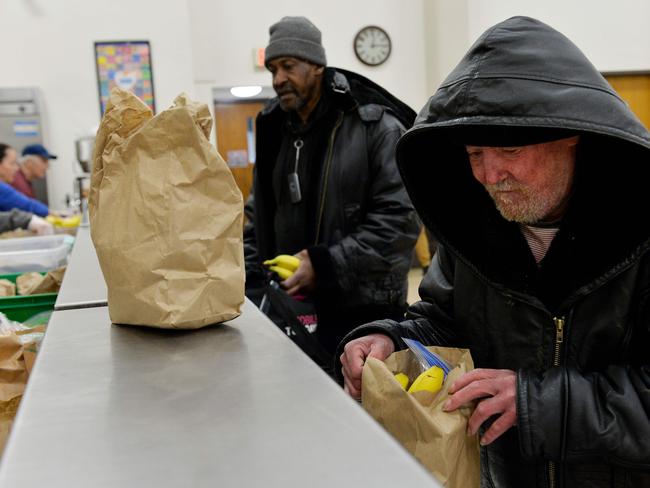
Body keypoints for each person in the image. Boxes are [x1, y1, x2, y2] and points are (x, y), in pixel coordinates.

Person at [338, 16, 650, 487]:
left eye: (507, 151)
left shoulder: (641, 235)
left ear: (569, 135)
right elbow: (447, 320)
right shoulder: (475, 231)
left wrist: (539, 404)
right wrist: (395, 340)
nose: (488, 176)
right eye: (474, 155)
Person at [244, 16, 419, 355]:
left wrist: (325, 265)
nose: (279, 79)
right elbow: (259, 216)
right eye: (273, 70)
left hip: (365, 318)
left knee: (359, 407)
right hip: (290, 313)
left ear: (317, 66)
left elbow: (399, 224)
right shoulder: (275, 133)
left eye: (289, 66)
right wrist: (249, 276)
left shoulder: (376, 126)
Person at [0, 144, 49, 217]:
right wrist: (53, 213)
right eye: (12, 163)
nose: (16, 168)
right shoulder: (16, 182)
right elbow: (27, 206)